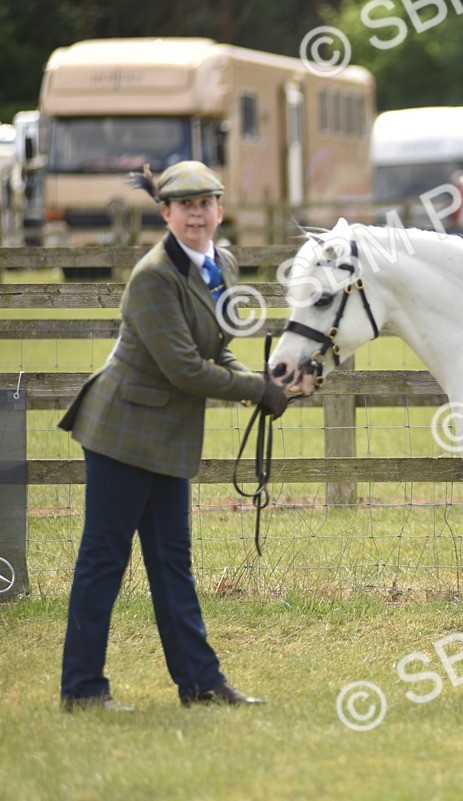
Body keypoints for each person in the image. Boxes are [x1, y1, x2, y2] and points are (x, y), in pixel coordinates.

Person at [58, 160, 288, 711]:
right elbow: (184, 369)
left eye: (206, 204)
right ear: (165, 213)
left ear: (219, 210)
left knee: (171, 561)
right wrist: (254, 390)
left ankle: (201, 685)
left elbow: (217, 347)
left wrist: (258, 379)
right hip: (120, 433)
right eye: (185, 206)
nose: (197, 214)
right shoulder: (153, 276)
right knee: (104, 560)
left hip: (165, 438)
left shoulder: (222, 263)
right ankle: (82, 689)